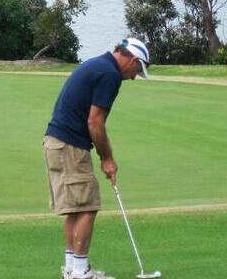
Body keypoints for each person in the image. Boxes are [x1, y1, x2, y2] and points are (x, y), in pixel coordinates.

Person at [43, 37, 150, 279]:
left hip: (56, 143)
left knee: (75, 208)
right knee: (86, 207)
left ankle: (72, 268)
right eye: (137, 70)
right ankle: (79, 272)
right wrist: (107, 158)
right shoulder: (109, 74)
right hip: (70, 145)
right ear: (133, 59)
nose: (134, 76)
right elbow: (95, 121)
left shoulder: (96, 64)